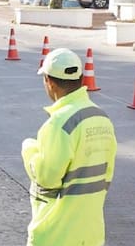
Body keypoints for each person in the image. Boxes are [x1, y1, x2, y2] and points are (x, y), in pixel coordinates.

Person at [21, 48, 117, 245]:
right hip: (91, 233)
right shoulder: (101, 118)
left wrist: (29, 150)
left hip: (56, 235)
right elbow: (107, 175)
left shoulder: (58, 124)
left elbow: (47, 179)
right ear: (80, 78)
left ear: (49, 81)